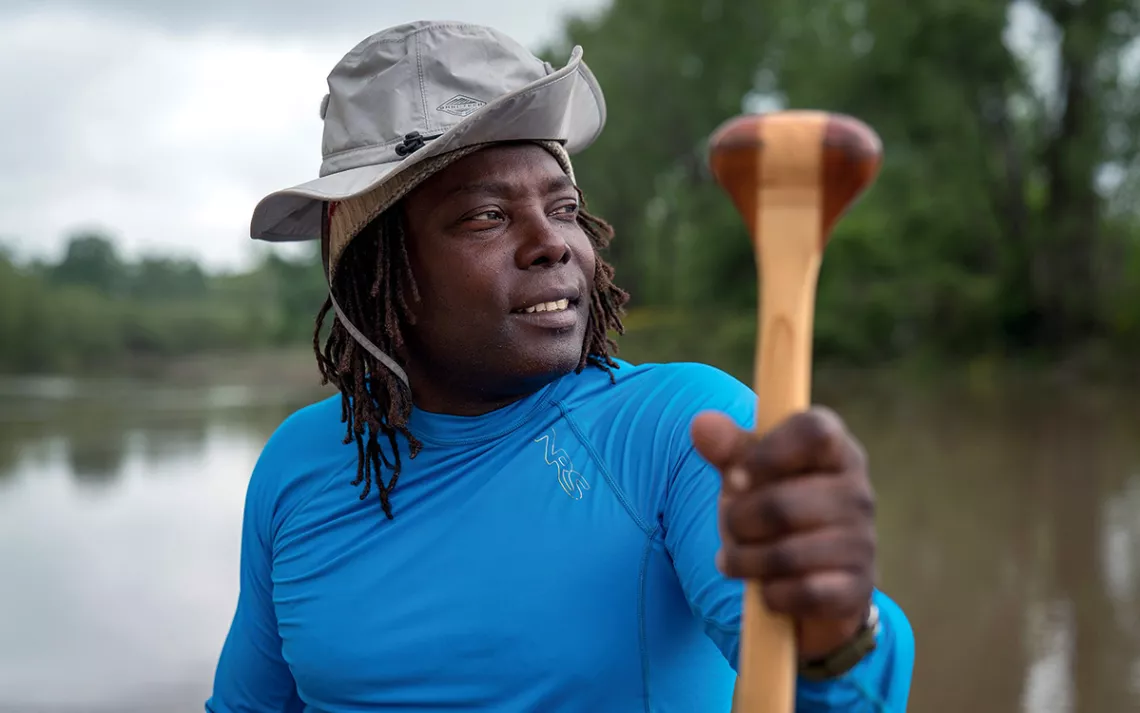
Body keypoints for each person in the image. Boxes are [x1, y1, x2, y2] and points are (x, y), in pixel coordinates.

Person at [205, 20, 915, 713]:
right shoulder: (299, 462)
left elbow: (824, 687)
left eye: (564, 207)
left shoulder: (683, 430)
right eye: (486, 216)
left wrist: (837, 630)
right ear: (378, 272)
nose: (552, 243)